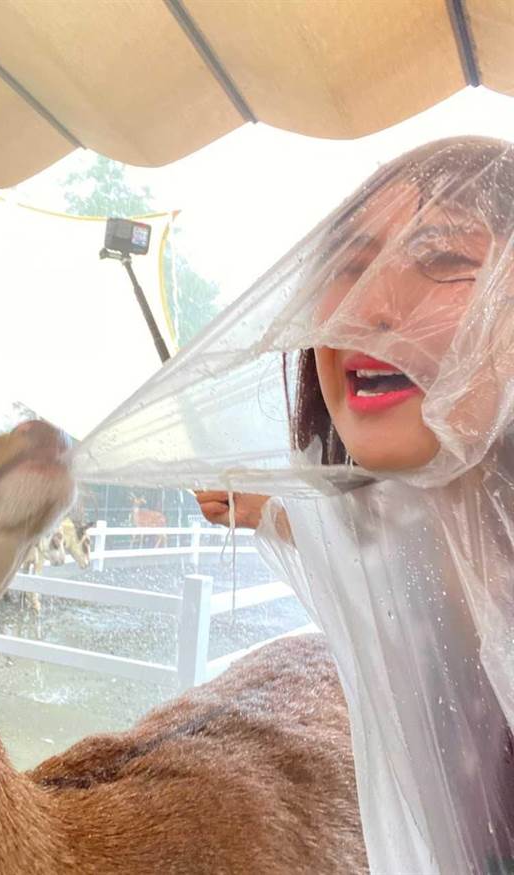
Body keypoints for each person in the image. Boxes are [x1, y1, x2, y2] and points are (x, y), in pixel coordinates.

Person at [181, 138, 514, 874]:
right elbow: (351, 531)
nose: (367, 307)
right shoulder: (405, 529)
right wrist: (259, 507)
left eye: (444, 260)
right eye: (350, 266)